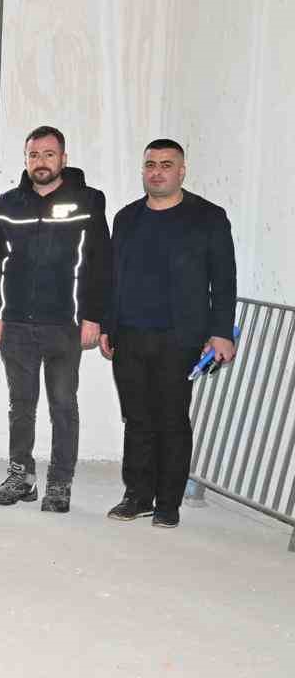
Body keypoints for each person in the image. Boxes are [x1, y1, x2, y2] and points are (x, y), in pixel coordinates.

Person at [100, 140, 236, 530]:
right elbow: (113, 277)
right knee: (137, 418)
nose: (156, 172)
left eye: (165, 164)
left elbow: (223, 280)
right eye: (150, 165)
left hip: (180, 336)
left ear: (181, 170)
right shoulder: (126, 218)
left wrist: (221, 332)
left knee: (172, 418)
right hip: (130, 334)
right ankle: (137, 496)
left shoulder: (208, 217)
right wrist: (109, 325)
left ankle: (168, 503)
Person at [0, 126, 110, 514]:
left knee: (63, 406)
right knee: (21, 406)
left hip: (66, 325)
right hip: (17, 324)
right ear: (26, 159)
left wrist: (94, 316)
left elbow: (100, 263)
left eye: (49, 154)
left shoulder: (88, 201)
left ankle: (60, 483)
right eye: (34, 155)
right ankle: (21, 477)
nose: (41, 162)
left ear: (63, 158)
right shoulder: (9, 203)